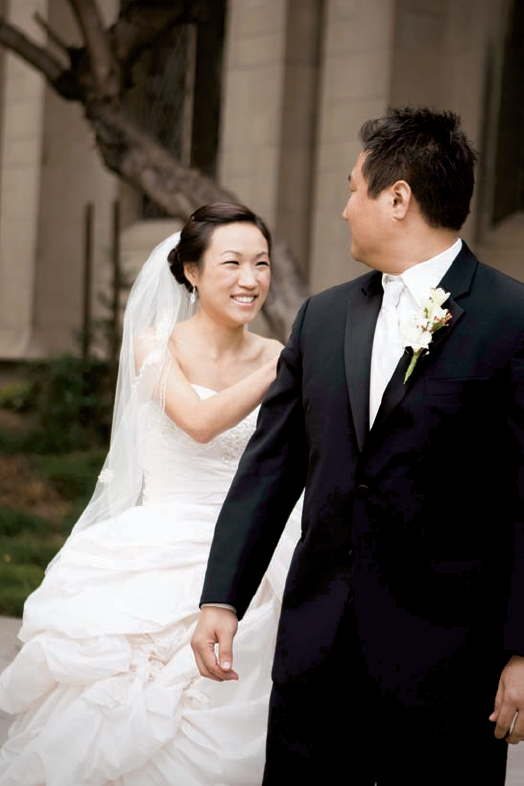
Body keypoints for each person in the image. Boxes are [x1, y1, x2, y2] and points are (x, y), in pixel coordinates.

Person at [191, 108, 524, 785]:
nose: (344, 209)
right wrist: (221, 596)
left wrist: (522, 652)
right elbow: (270, 468)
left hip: (448, 667)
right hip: (318, 654)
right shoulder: (323, 316)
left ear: (397, 198)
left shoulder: (511, 320)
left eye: (353, 189)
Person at [0, 202, 299, 785]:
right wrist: (290, 362)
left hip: (251, 550)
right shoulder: (155, 345)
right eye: (232, 262)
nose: (251, 279)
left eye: (261, 264)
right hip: (155, 551)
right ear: (190, 270)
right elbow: (199, 421)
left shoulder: (275, 353)